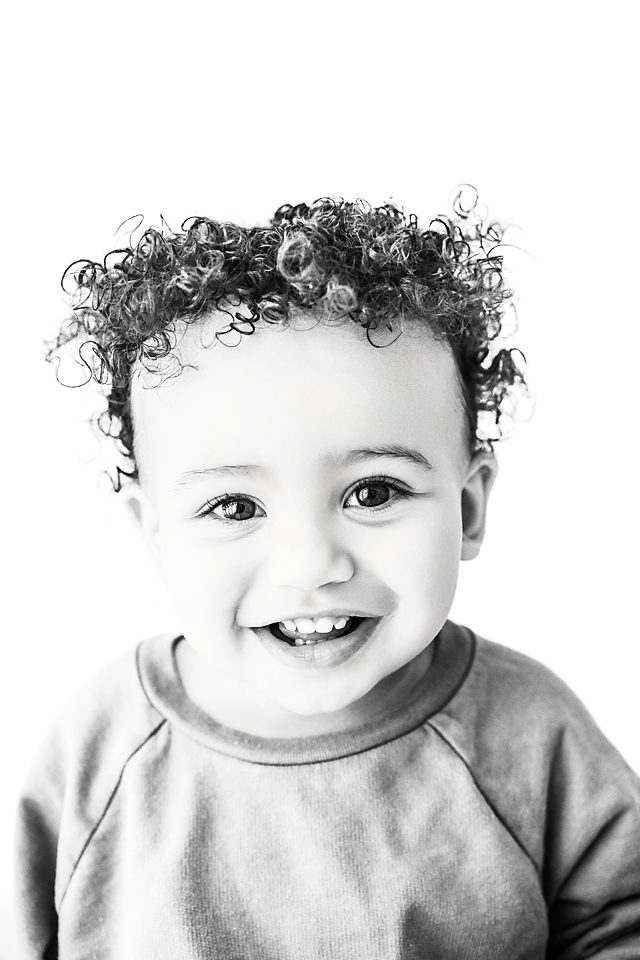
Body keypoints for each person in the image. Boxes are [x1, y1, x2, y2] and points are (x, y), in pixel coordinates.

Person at [15, 194, 640, 958]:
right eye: (233, 505)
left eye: (372, 493)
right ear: (154, 534)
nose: (310, 564)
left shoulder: (531, 738)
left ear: (470, 507)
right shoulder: (101, 754)